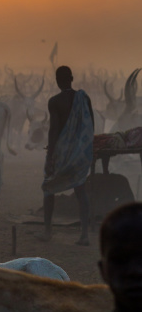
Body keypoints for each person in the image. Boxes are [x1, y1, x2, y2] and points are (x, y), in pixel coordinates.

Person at [41, 65, 94, 245]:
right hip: (79, 153)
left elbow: (54, 130)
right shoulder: (84, 99)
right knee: (80, 189)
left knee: (49, 187)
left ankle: (48, 232)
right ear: (72, 78)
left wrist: (50, 157)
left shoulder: (55, 102)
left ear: (57, 81)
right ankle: (84, 235)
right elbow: (90, 125)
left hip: (61, 153)